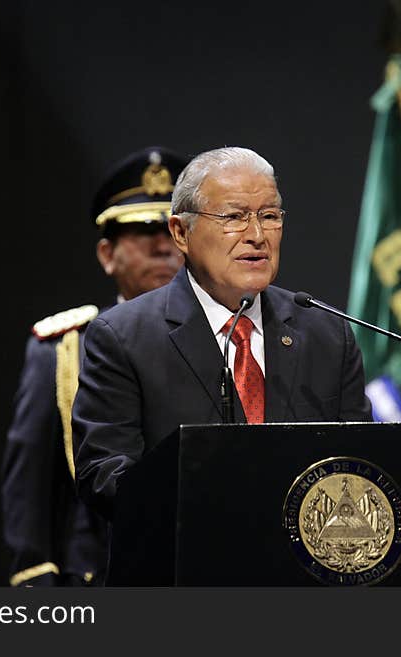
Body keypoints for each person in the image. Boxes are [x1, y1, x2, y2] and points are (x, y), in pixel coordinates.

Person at [72, 146, 373, 520]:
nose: (257, 235)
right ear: (181, 232)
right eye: (234, 217)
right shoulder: (123, 337)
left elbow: (361, 465)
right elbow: (102, 478)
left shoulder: (326, 333)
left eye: (269, 215)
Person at [1, 146, 189, 586]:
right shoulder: (64, 350)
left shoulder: (228, 340)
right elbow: (30, 491)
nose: (163, 245)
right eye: (142, 231)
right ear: (107, 254)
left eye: (172, 230)